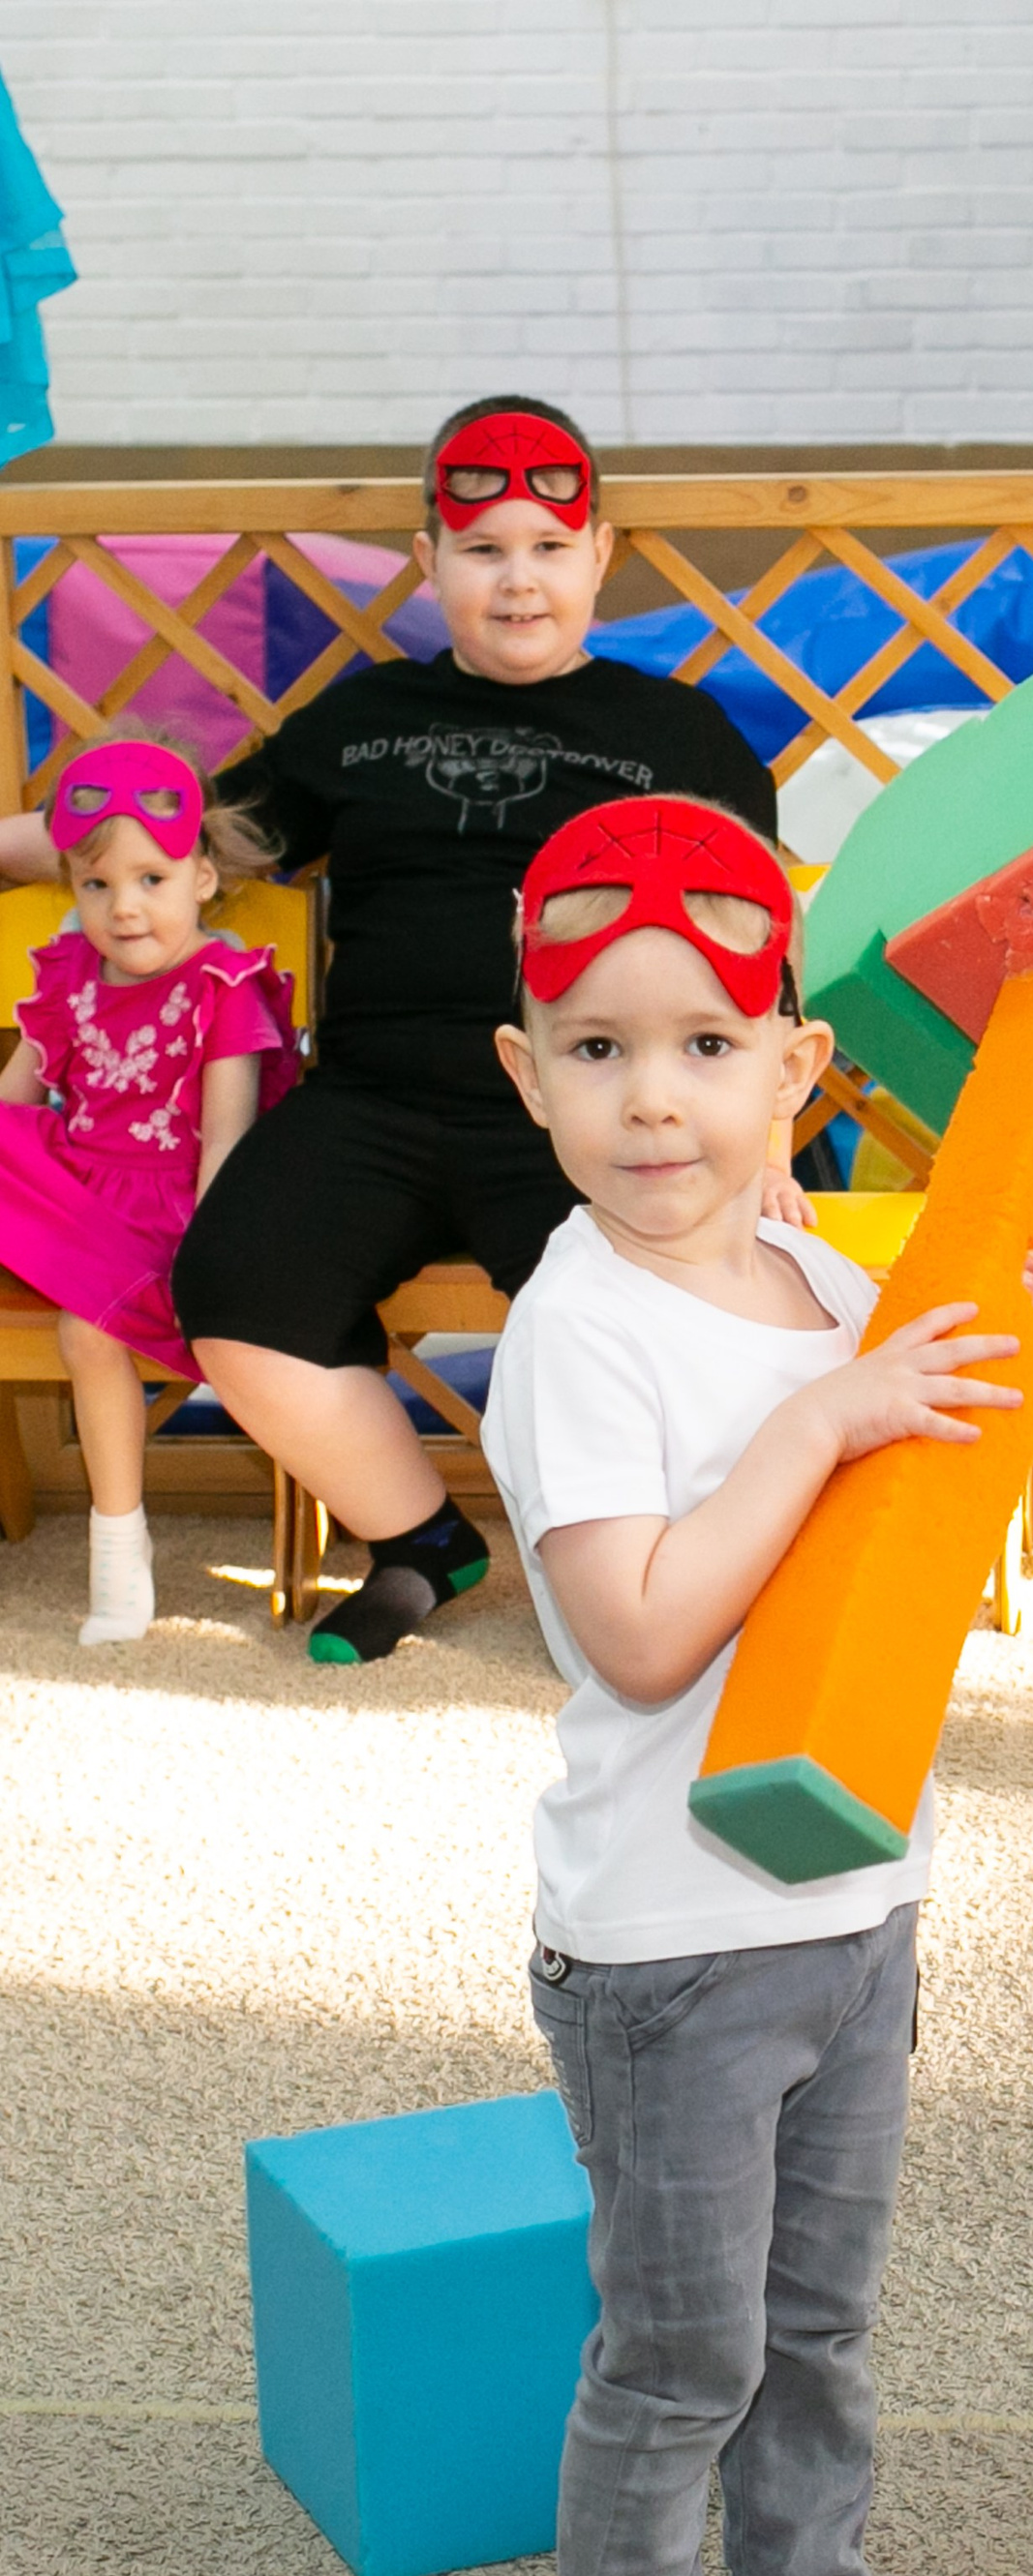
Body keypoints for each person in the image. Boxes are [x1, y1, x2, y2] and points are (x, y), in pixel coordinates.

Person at [480, 792, 1033, 2576]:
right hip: (669, 1949)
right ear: (525, 1072)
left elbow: (916, 1530)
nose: (653, 1100)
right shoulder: (579, 1329)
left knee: (818, 2321)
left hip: (856, 1901)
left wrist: (1031, 1378)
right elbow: (644, 1635)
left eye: (705, 1045)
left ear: (796, 1068)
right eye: (596, 1047)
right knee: (682, 2348)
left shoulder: (832, 1274)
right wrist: (821, 1418)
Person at [47, 395, 779, 1666]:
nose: (517, 581)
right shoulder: (359, 720)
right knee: (230, 1291)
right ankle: (421, 1539)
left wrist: (761, 1132)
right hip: (369, 1099)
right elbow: (164, 842)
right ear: (428, 559)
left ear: (600, 553)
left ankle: (650, 1576)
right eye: (483, 549)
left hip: (576, 1110)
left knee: (631, 1310)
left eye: (549, 550)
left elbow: (764, 955)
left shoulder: (678, 736)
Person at [0, 738, 295, 1642]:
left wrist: (212, 1257)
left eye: (152, 879)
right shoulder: (66, 979)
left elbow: (226, 1140)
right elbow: (14, 1098)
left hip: (171, 1206)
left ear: (203, 877)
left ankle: (117, 1551)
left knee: (87, 1331)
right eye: (96, 886)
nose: (123, 909)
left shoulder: (224, 987)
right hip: (73, 1185)